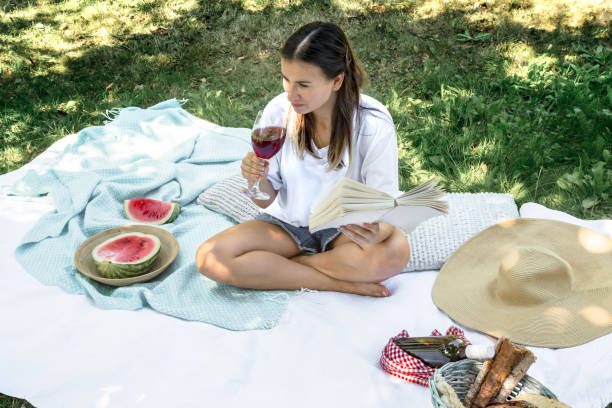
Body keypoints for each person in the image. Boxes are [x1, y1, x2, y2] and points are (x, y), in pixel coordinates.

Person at [196, 22, 410, 297]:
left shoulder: (372, 124)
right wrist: (256, 178)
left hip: (343, 231)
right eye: (286, 79)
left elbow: (386, 207)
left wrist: (376, 230)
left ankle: (283, 268)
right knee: (210, 257)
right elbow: (265, 199)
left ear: (337, 81)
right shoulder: (278, 111)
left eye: (303, 84)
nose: (290, 93)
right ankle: (338, 282)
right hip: (289, 227)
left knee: (395, 250)